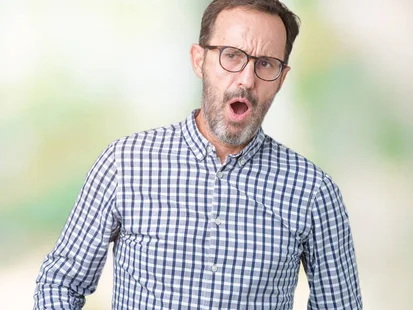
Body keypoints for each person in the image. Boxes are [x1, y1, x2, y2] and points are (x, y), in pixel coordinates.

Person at [33, 0, 362, 309]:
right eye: (232, 55)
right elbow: (60, 284)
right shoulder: (125, 163)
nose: (247, 80)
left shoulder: (314, 191)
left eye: (266, 64)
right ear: (198, 60)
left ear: (281, 79)